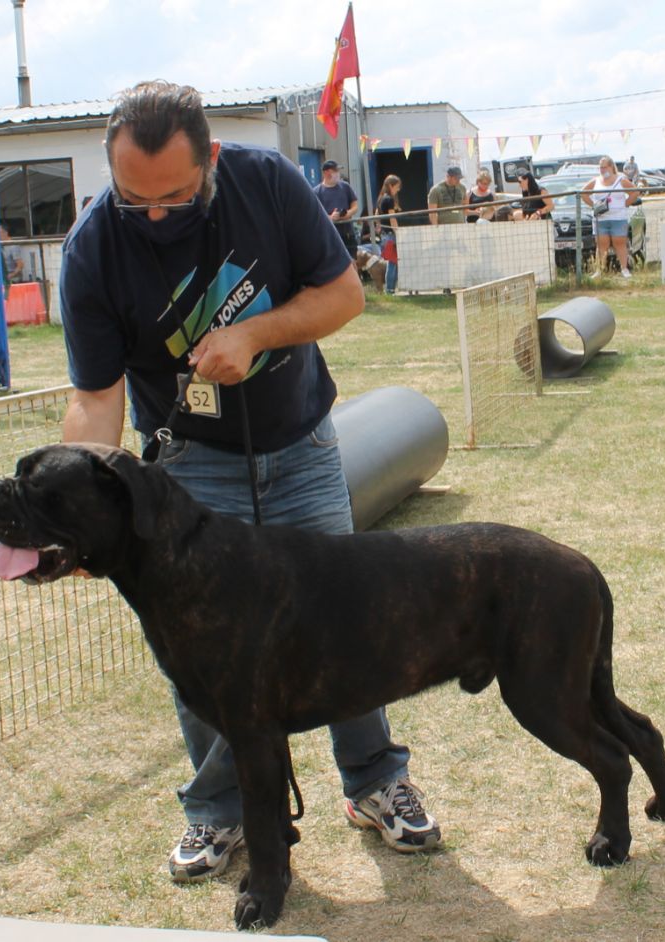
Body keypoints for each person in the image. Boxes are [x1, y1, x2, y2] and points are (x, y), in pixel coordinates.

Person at [59, 81, 441, 885]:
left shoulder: (269, 183)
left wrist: (256, 334)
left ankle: (375, 780)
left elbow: (343, 294)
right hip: (188, 475)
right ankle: (218, 816)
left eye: (175, 196)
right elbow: (97, 397)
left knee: (347, 622)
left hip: (300, 444)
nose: (156, 215)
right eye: (136, 199)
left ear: (213, 162)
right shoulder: (93, 248)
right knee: (200, 649)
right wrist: (85, 507)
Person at [582, 156, 638, 279]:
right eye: (600, 167)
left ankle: (624, 268)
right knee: (601, 245)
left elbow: (635, 192)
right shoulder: (596, 181)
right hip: (601, 218)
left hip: (618, 217)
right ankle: (599, 270)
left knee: (620, 243)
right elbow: (583, 192)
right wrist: (594, 205)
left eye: (604, 167)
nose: (602, 169)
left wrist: (625, 204)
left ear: (611, 167)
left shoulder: (621, 179)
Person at [313, 159, 359, 259]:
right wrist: (330, 217)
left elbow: (355, 205)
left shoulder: (345, 187)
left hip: (347, 233)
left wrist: (348, 213)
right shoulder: (317, 192)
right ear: (326, 173)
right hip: (329, 235)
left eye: (338, 171)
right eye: (335, 171)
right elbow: (315, 215)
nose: (338, 174)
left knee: (352, 261)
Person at [376, 174, 402, 294]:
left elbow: (377, 215)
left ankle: (390, 288)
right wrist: (398, 231)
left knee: (392, 262)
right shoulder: (389, 199)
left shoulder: (381, 198)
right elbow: (392, 218)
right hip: (390, 234)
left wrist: (379, 227)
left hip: (384, 233)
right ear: (390, 186)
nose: (398, 190)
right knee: (392, 262)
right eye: (397, 187)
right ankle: (390, 289)